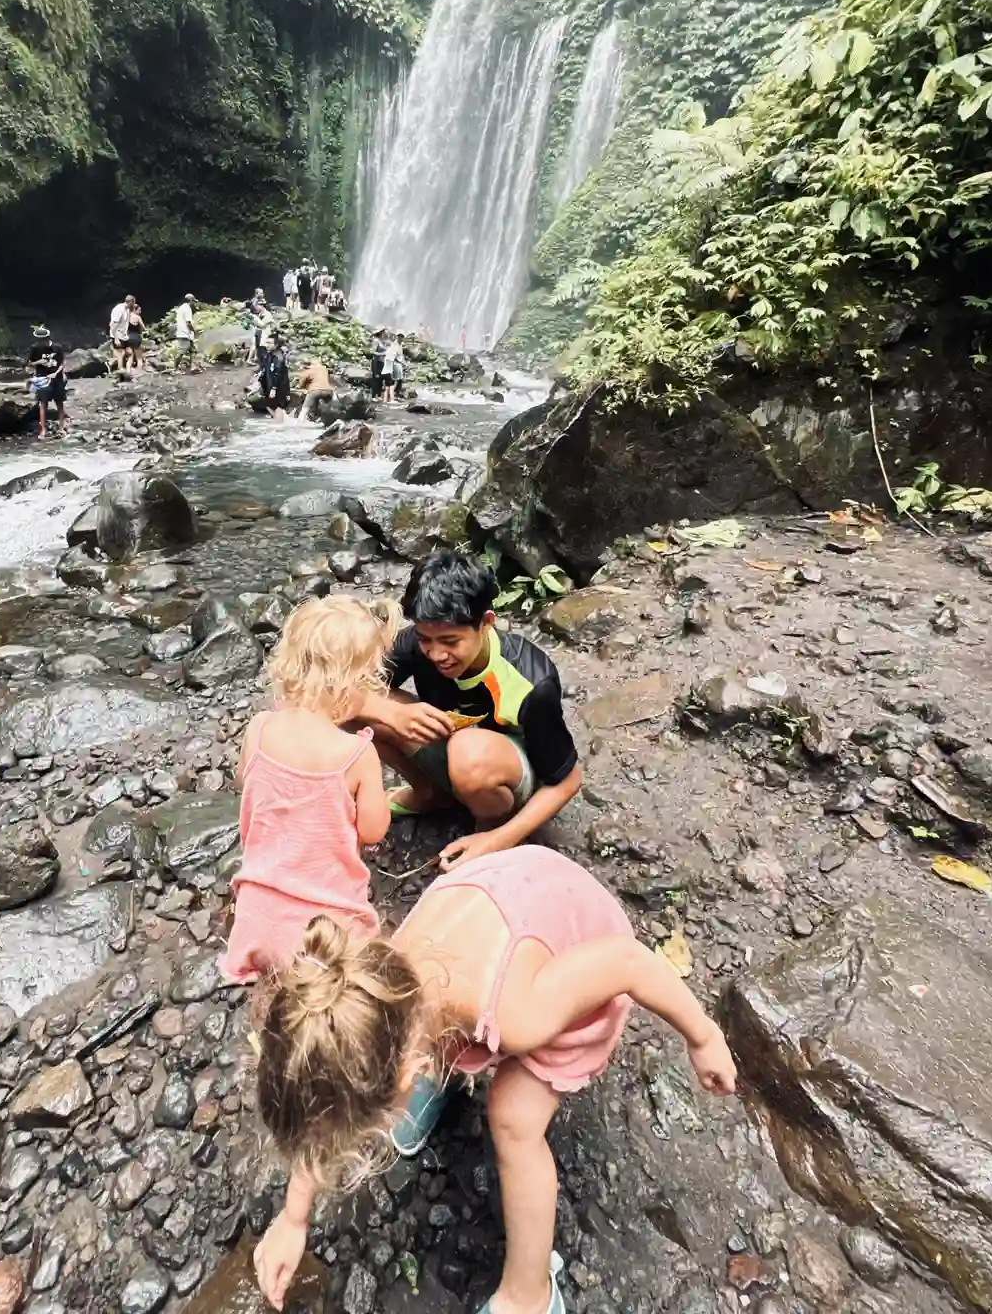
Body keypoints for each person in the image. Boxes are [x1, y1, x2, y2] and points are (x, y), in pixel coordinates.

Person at [251, 848, 737, 1313]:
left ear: (408, 1072)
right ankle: (431, 1078)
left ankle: (530, 1295)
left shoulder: (524, 1014)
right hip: (515, 892)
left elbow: (627, 962)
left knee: (513, 1119)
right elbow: (323, 1093)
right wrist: (294, 1218)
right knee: (426, 1042)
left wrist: (703, 1035)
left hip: (579, 952)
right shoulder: (368, 984)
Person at [354, 552, 581, 872]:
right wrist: (390, 714)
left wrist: (498, 839)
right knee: (363, 704)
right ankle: (428, 793)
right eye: (426, 640)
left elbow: (567, 781)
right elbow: (341, 692)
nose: (436, 654)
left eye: (450, 641)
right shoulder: (415, 644)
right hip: (451, 746)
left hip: (504, 773)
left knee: (468, 753)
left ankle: (488, 825)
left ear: (486, 623)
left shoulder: (530, 680)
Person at [217, 596, 397, 984]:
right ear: (357, 682)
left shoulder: (259, 729)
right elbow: (373, 830)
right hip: (326, 934)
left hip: (256, 922)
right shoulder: (357, 754)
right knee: (375, 970)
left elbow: (250, 786)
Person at [26, 324, 67, 439]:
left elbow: (62, 362)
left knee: (59, 403)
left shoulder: (57, 347)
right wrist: (39, 362)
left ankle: (61, 428)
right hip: (42, 378)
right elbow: (29, 364)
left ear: (47, 339)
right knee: (43, 404)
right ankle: (43, 430)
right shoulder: (35, 348)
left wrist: (56, 373)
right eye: (39, 340)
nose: (40, 342)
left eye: (42, 340)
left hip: (57, 378)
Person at [260, 333, 292, 421]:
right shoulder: (269, 356)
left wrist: (274, 388)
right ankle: (278, 423)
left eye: (270, 343)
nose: (267, 345)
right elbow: (265, 371)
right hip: (269, 387)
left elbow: (278, 374)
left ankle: (279, 427)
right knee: (268, 405)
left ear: (276, 345)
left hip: (279, 388)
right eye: (266, 343)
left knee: (279, 408)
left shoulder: (279, 357)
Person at [297, 357, 334, 424]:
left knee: (304, 409)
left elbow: (301, 384)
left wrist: (302, 386)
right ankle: (326, 422)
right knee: (328, 408)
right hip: (328, 390)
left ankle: (299, 425)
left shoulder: (307, 371)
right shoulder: (324, 368)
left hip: (315, 390)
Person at [109, 295, 132, 373]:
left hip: (123, 335)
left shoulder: (127, 310)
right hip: (117, 334)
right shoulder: (119, 309)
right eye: (133, 303)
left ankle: (113, 366)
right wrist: (116, 338)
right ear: (130, 302)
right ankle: (120, 369)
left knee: (126, 352)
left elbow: (125, 323)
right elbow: (113, 324)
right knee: (120, 353)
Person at [174, 294, 196, 370]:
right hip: (185, 333)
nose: (194, 303)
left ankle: (193, 367)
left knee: (192, 350)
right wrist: (193, 330)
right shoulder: (187, 309)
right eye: (194, 301)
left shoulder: (180, 308)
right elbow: (188, 323)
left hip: (181, 332)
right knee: (181, 352)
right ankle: (175, 368)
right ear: (191, 301)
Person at [380, 333, 402, 404]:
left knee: (386, 387)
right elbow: (392, 361)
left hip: (384, 372)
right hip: (389, 372)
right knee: (391, 387)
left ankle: (385, 400)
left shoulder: (387, 351)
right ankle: (392, 400)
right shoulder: (391, 352)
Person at [125, 299, 144, 370]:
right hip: (136, 338)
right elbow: (143, 327)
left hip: (128, 338)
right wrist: (140, 330)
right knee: (139, 358)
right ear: (134, 310)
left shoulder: (126, 317)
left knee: (130, 357)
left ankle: (128, 372)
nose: (140, 312)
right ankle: (139, 374)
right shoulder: (138, 317)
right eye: (139, 310)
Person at [369, 332, 385, 400]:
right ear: (381, 333)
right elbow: (373, 352)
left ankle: (378, 395)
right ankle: (373, 396)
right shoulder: (376, 340)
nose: (385, 334)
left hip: (381, 362)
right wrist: (383, 353)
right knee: (376, 378)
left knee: (380, 379)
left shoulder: (381, 341)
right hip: (376, 362)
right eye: (384, 332)